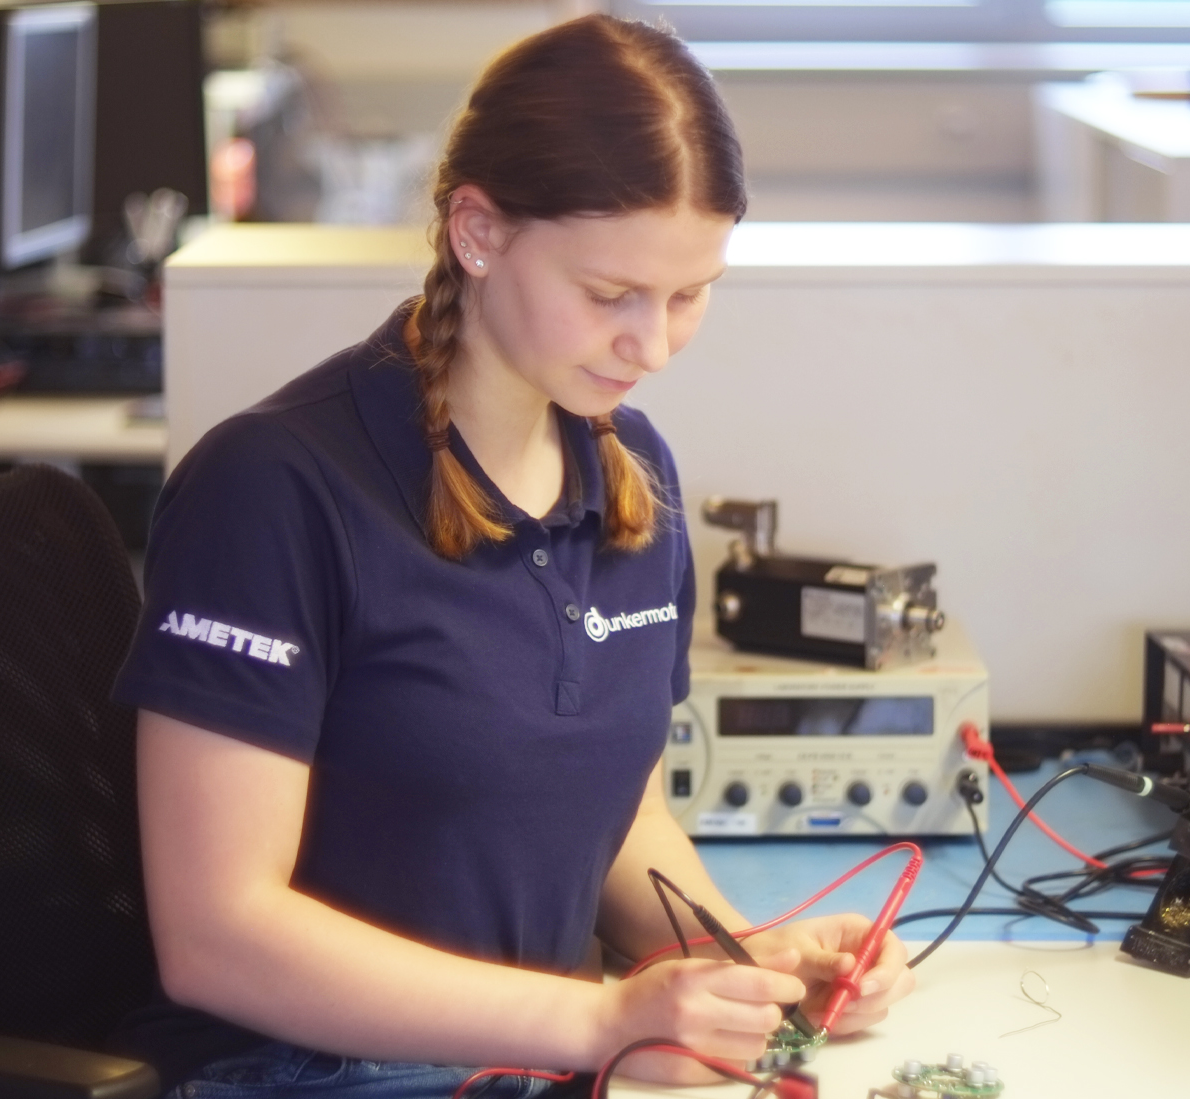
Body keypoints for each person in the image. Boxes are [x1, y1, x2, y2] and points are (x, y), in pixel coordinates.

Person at [111, 15, 916, 1097]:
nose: (655, 344)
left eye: (691, 293)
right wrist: (595, 1021)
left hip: (539, 1066)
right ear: (478, 232)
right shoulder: (272, 489)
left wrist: (741, 966)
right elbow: (218, 935)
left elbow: (619, 818)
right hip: (308, 1074)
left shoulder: (633, 470)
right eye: (610, 294)